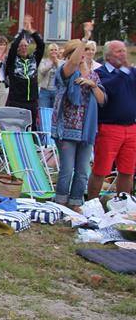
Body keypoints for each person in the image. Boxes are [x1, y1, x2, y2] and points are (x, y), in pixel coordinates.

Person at [52, 39, 105, 210]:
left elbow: (102, 100)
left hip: (87, 130)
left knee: (82, 170)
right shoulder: (65, 71)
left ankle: (75, 202)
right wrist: (85, 38)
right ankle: (61, 202)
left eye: (87, 50)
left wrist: (93, 85)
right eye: (81, 51)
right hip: (66, 129)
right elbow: (73, 63)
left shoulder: (93, 75)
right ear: (70, 54)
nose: (84, 53)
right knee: (67, 169)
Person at [87, 40, 136, 200]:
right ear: (107, 56)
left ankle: (123, 203)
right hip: (109, 127)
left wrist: (126, 71)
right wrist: (123, 71)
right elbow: (109, 89)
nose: (123, 54)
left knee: (127, 170)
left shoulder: (130, 73)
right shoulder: (100, 73)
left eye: (124, 50)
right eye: (118, 51)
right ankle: (92, 202)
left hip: (131, 127)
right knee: (101, 169)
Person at [4, 15, 45, 126]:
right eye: (21, 46)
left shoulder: (33, 59)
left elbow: (41, 45)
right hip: (16, 101)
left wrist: (31, 31)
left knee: (31, 127)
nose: (23, 48)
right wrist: (23, 31)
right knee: (15, 127)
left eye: (26, 46)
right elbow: (13, 47)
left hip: (32, 101)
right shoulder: (12, 60)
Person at [37, 43, 62, 109]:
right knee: (44, 110)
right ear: (48, 52)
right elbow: (42, 71)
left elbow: (62, 74)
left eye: (55, 50)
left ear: (58, 51)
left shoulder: (62, 62)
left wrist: (57, 64)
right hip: (45, 90)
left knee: (56, 110)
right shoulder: (43, 61)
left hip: (57, 91)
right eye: (51, 50)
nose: (54, 51)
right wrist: (51, 64)